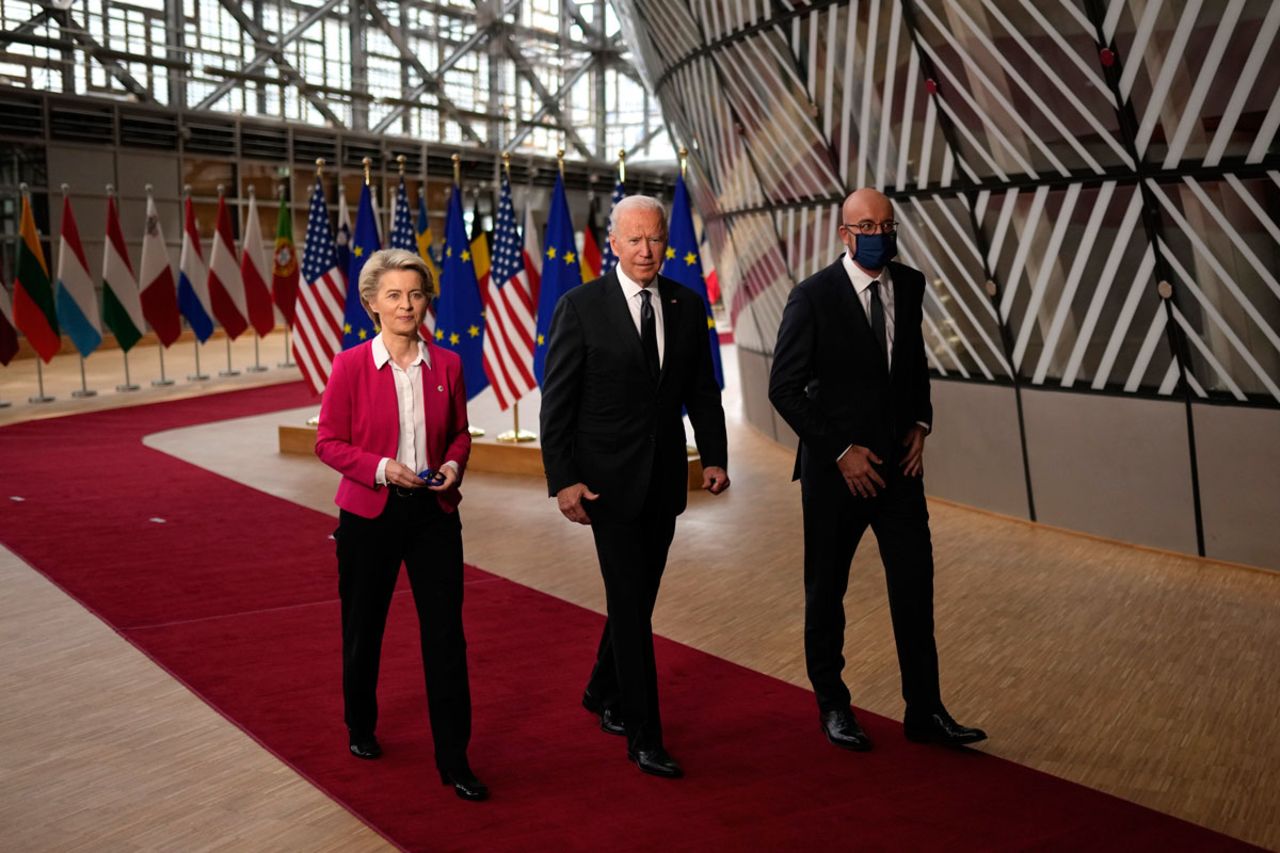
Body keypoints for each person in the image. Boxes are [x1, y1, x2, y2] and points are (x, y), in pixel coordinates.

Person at [768, 188, 986, 752]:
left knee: (915, 588)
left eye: (886, 225)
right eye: (866, 225)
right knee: (827, 591)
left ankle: (925, 711)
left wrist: (921, 422)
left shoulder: (908, 285)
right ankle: (833, 706)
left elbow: (911, 365)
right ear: (844, 234)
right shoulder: (811, 297)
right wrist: (842, 451)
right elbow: (785, 390)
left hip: (898, 472)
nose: (878, 234)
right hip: (835, 475)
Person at [540, 195, 729, 779]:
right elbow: (558, 401)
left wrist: (715, 458)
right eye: (634, 239)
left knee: (636, 599)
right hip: (605, 485)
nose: (647, 250)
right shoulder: (580, 307)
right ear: (614, 244)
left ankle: (600, 687)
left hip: (665, 480)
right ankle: (642, 732)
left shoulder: (685, 301)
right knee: (631, 608)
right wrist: (563, 479)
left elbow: (700, 390)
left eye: (655, 238)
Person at [316, 248, 488, 801]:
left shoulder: (450, 364)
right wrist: (381, 468)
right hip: (370, 512)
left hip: (434, 514)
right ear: (372, 304)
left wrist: (455, 464)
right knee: (365, 628)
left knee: (445, 637)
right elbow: (328, 443)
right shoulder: (349, 366)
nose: (407, 305)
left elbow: (460, 432)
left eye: (415, 294)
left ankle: (454, 758)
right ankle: (360, 724)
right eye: (394, 295)